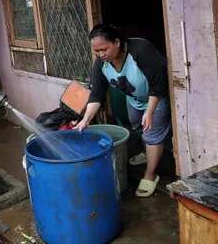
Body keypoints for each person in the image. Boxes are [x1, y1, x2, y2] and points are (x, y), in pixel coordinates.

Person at [73, 24, 171, 197]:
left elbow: (158, 83)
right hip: (134, 99)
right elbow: (96, 94)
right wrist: (85, 120)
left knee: (152, 134)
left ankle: (150, 174)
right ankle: (147, 153)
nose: (101, 54)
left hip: (156, 97)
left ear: (117, 42)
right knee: (138, 127)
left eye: (104, 49)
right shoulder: (101, 64)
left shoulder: (140, 50)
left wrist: (149, 111)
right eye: (96, 51)